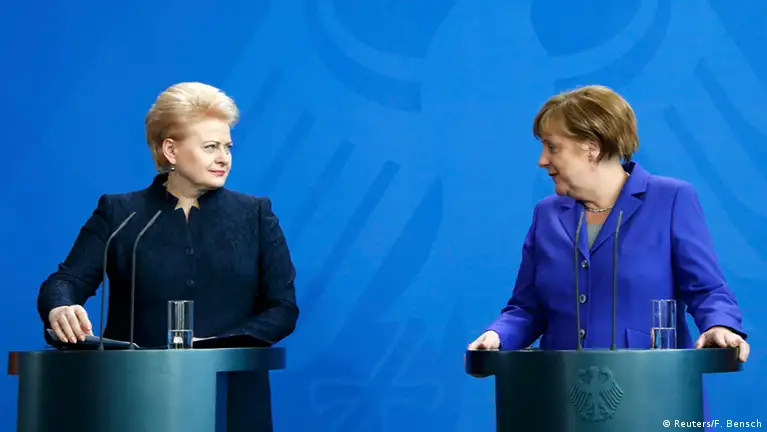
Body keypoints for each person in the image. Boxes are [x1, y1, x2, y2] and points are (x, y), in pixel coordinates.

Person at [468, 85, 750, 363]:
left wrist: (720, 325)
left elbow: (707, 290)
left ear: (591, 147)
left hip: (653, 383)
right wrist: (498, 335)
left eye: (552, 147)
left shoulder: (671, 199)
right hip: (560, 387)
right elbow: (527, 307)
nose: (542, 160)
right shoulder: (546, 214)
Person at [37, 82, 299, 348]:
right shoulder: (119, 212)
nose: (224, 158)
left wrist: (218, 344)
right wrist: (61, 307)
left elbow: (282, 307)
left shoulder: (255, 214)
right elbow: (67, 281)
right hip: (133, 372)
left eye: (227, 147)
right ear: (171, 150)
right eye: (211, 147)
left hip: (231, 372)